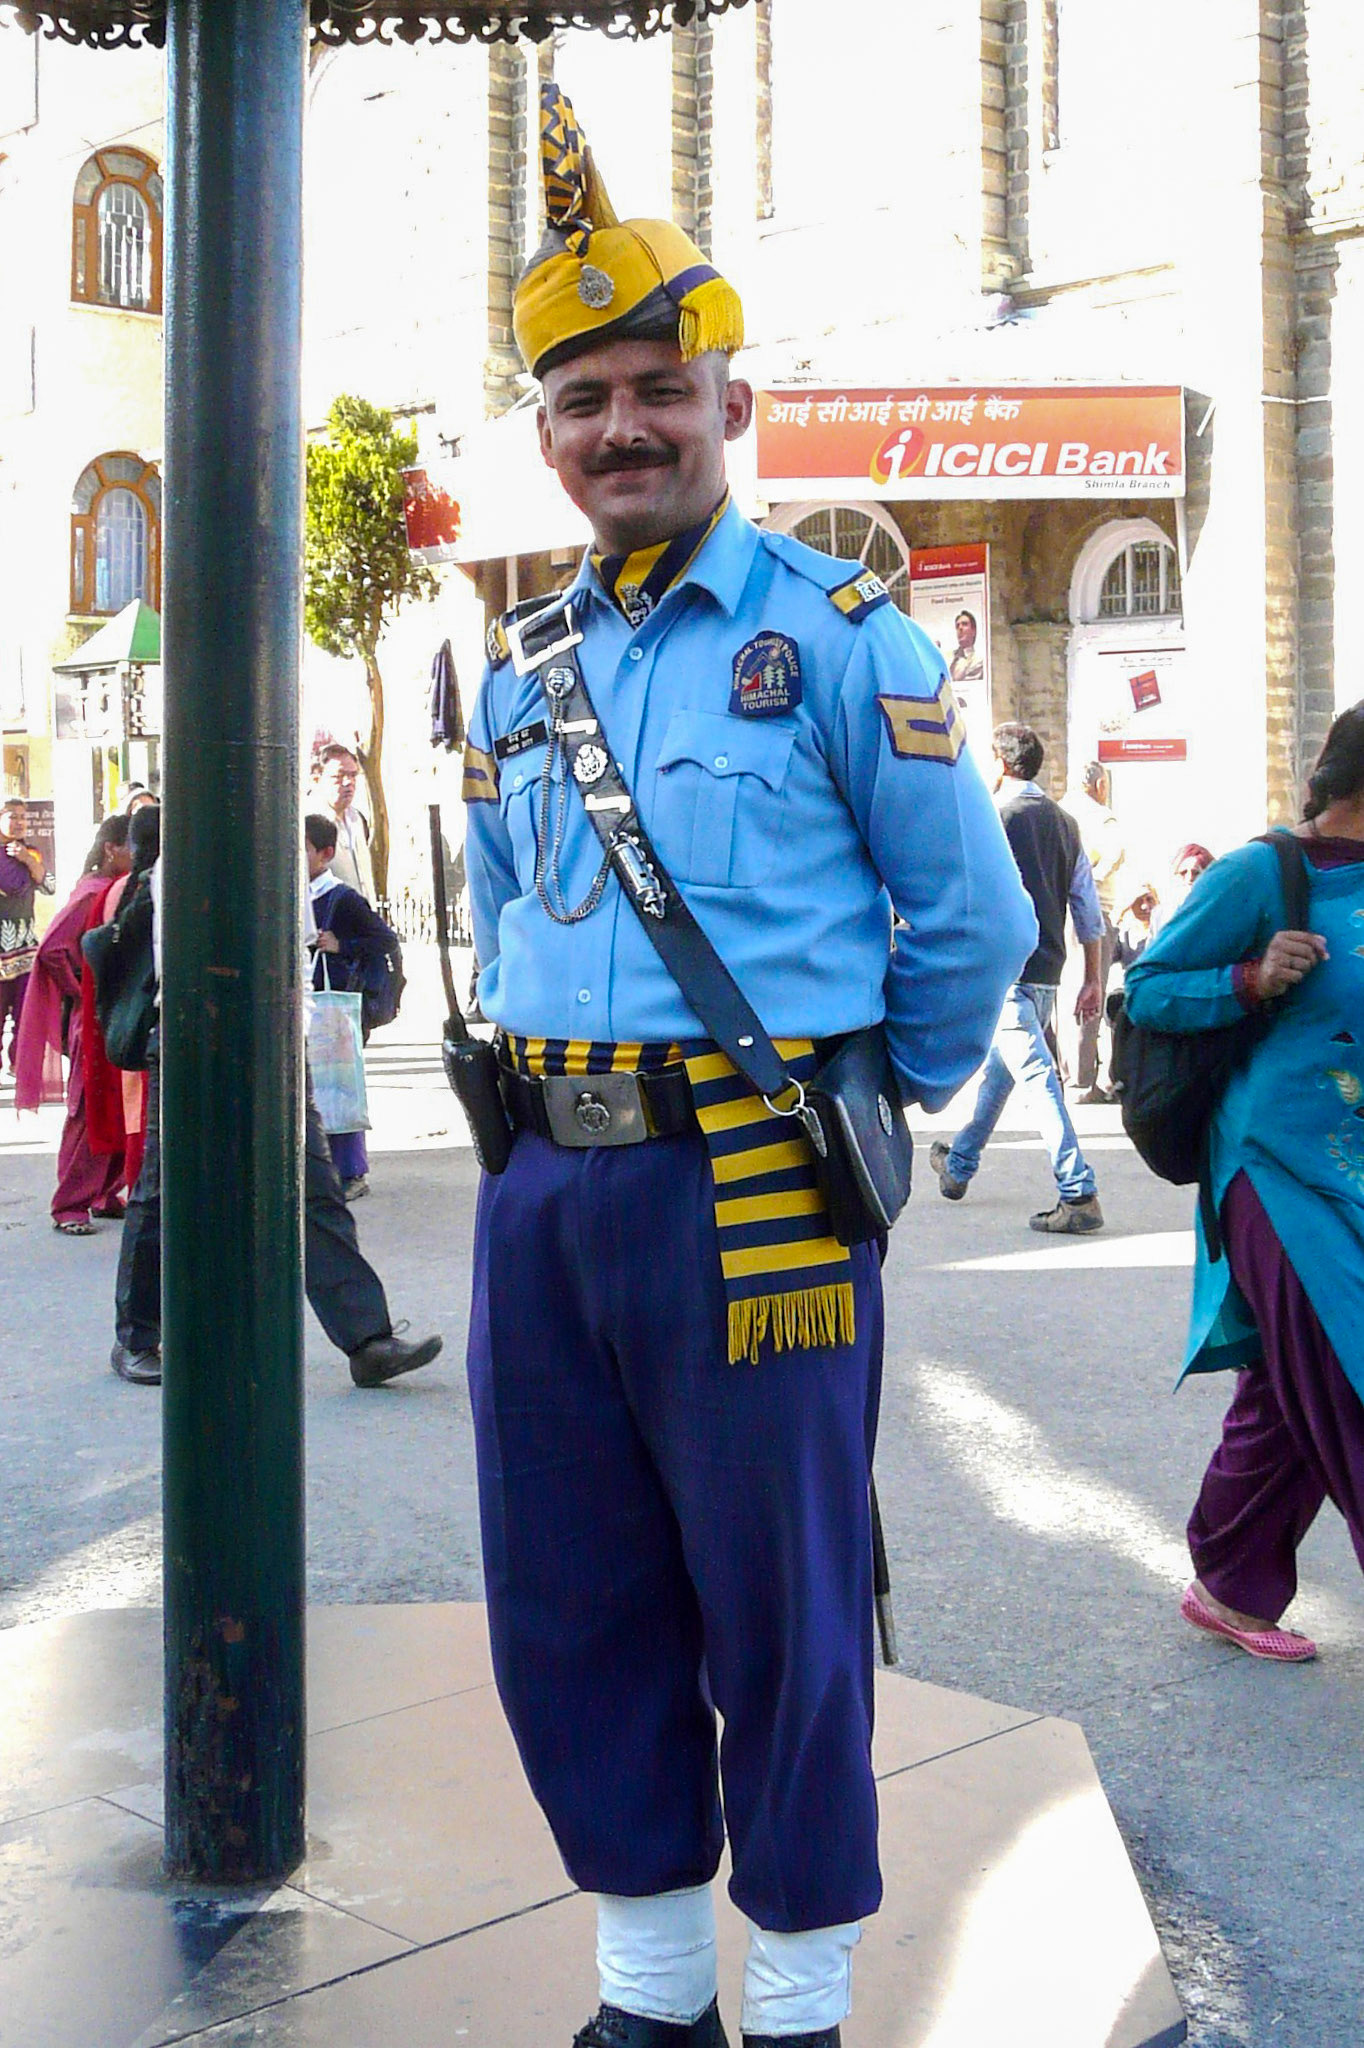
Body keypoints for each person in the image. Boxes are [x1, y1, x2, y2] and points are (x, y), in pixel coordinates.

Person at [460, 86, 1035, 2048]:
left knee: (780, 1610)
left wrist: (860, 1112)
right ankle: (647, 1994)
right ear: (547, 434)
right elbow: (499, 912)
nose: (619, 425)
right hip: (540, 1192)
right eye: (581, 398)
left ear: (728, 409)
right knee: (565, 1593)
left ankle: (790, 2000)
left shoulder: (841, 639)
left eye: (655, 388)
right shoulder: (517, 675)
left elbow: (968, 928)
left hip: (758, 1183)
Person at [1125, 703, 1364, 1664]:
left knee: (1290, 1387)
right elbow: (1145, 989)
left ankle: (1229, 1576)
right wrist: (1250, 979)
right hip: (1273, 1174)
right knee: (1348, 1376)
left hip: (1352, 1170)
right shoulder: (1267, 872)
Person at [110, 813, 442, 1388]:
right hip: (193, 1038)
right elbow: (176, 962)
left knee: (314, 1187)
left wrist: (294, 1034)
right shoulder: (182, 859)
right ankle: (137, 1336)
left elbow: (300, 954)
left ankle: (367, 1340)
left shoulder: (283, 859)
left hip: (277, 1042)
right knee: (164, 1187)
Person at [930, 722, 1106, 1234]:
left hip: (1007, 971)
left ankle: (1078, 1190)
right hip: (1047, 973)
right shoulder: (1067, 825)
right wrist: (1092, 976)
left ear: (1001, 764)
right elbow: (1088, 911)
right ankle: (959, 1164)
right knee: (1004, 1073)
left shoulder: (993, 820)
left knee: (1035, 1078)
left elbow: (963, 891)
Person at [14, 815, 132, 1233]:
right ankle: (70, 1204)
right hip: (94, 1019)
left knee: (118, 1106)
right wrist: (84, 988)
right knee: (89, 1109)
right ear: (111, 850)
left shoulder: (114, 889)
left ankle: (103, 1193)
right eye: (130, 846)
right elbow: (51, 950)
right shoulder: (92, 893)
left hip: (111, 1015)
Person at [306, 811, 403, 1199]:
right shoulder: (294, 893)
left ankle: (351, 1171)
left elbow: (385, 939)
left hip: (337, 1006)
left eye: (305, 849)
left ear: (326, 854)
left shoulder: (342, 898)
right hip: (306, 1004)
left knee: (340, 1087)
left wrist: (341, 945)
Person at [1062, 760, 1127, 1101]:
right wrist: (1090, 882)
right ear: (1100, 784)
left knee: (1062, 990)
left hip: (1057, 911)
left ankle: (1068, 1073)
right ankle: (1083, 1082)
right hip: (1093, 909)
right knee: (1090, 987)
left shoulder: (1059, 812)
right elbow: (1116, 854)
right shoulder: (1101, 816)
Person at [0, 796, 56, 1075]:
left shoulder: (31, 852)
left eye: (23, 817)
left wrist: (26, 860)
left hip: (24, 948)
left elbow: (49, 886)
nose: (20, 822)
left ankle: (20, 1067)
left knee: (25, 1013)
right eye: (13, 816)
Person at [310, 741, 376, 902]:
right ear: (317, 779)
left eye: (353, 775)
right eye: (339, 776)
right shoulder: (308, 824)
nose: (348, 783)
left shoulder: (357, 819)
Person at [1148, 840, 1214, 938]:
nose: (1190, 878)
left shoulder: (1216, 910)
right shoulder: (1160, 915)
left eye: (1196, 873)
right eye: (1183, 873)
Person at [947, 609, 984, 685]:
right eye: (957, 626)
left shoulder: (978, 661)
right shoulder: (947, 656)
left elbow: (964, 685)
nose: (960, 628)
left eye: (964, 624)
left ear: (973, 631)